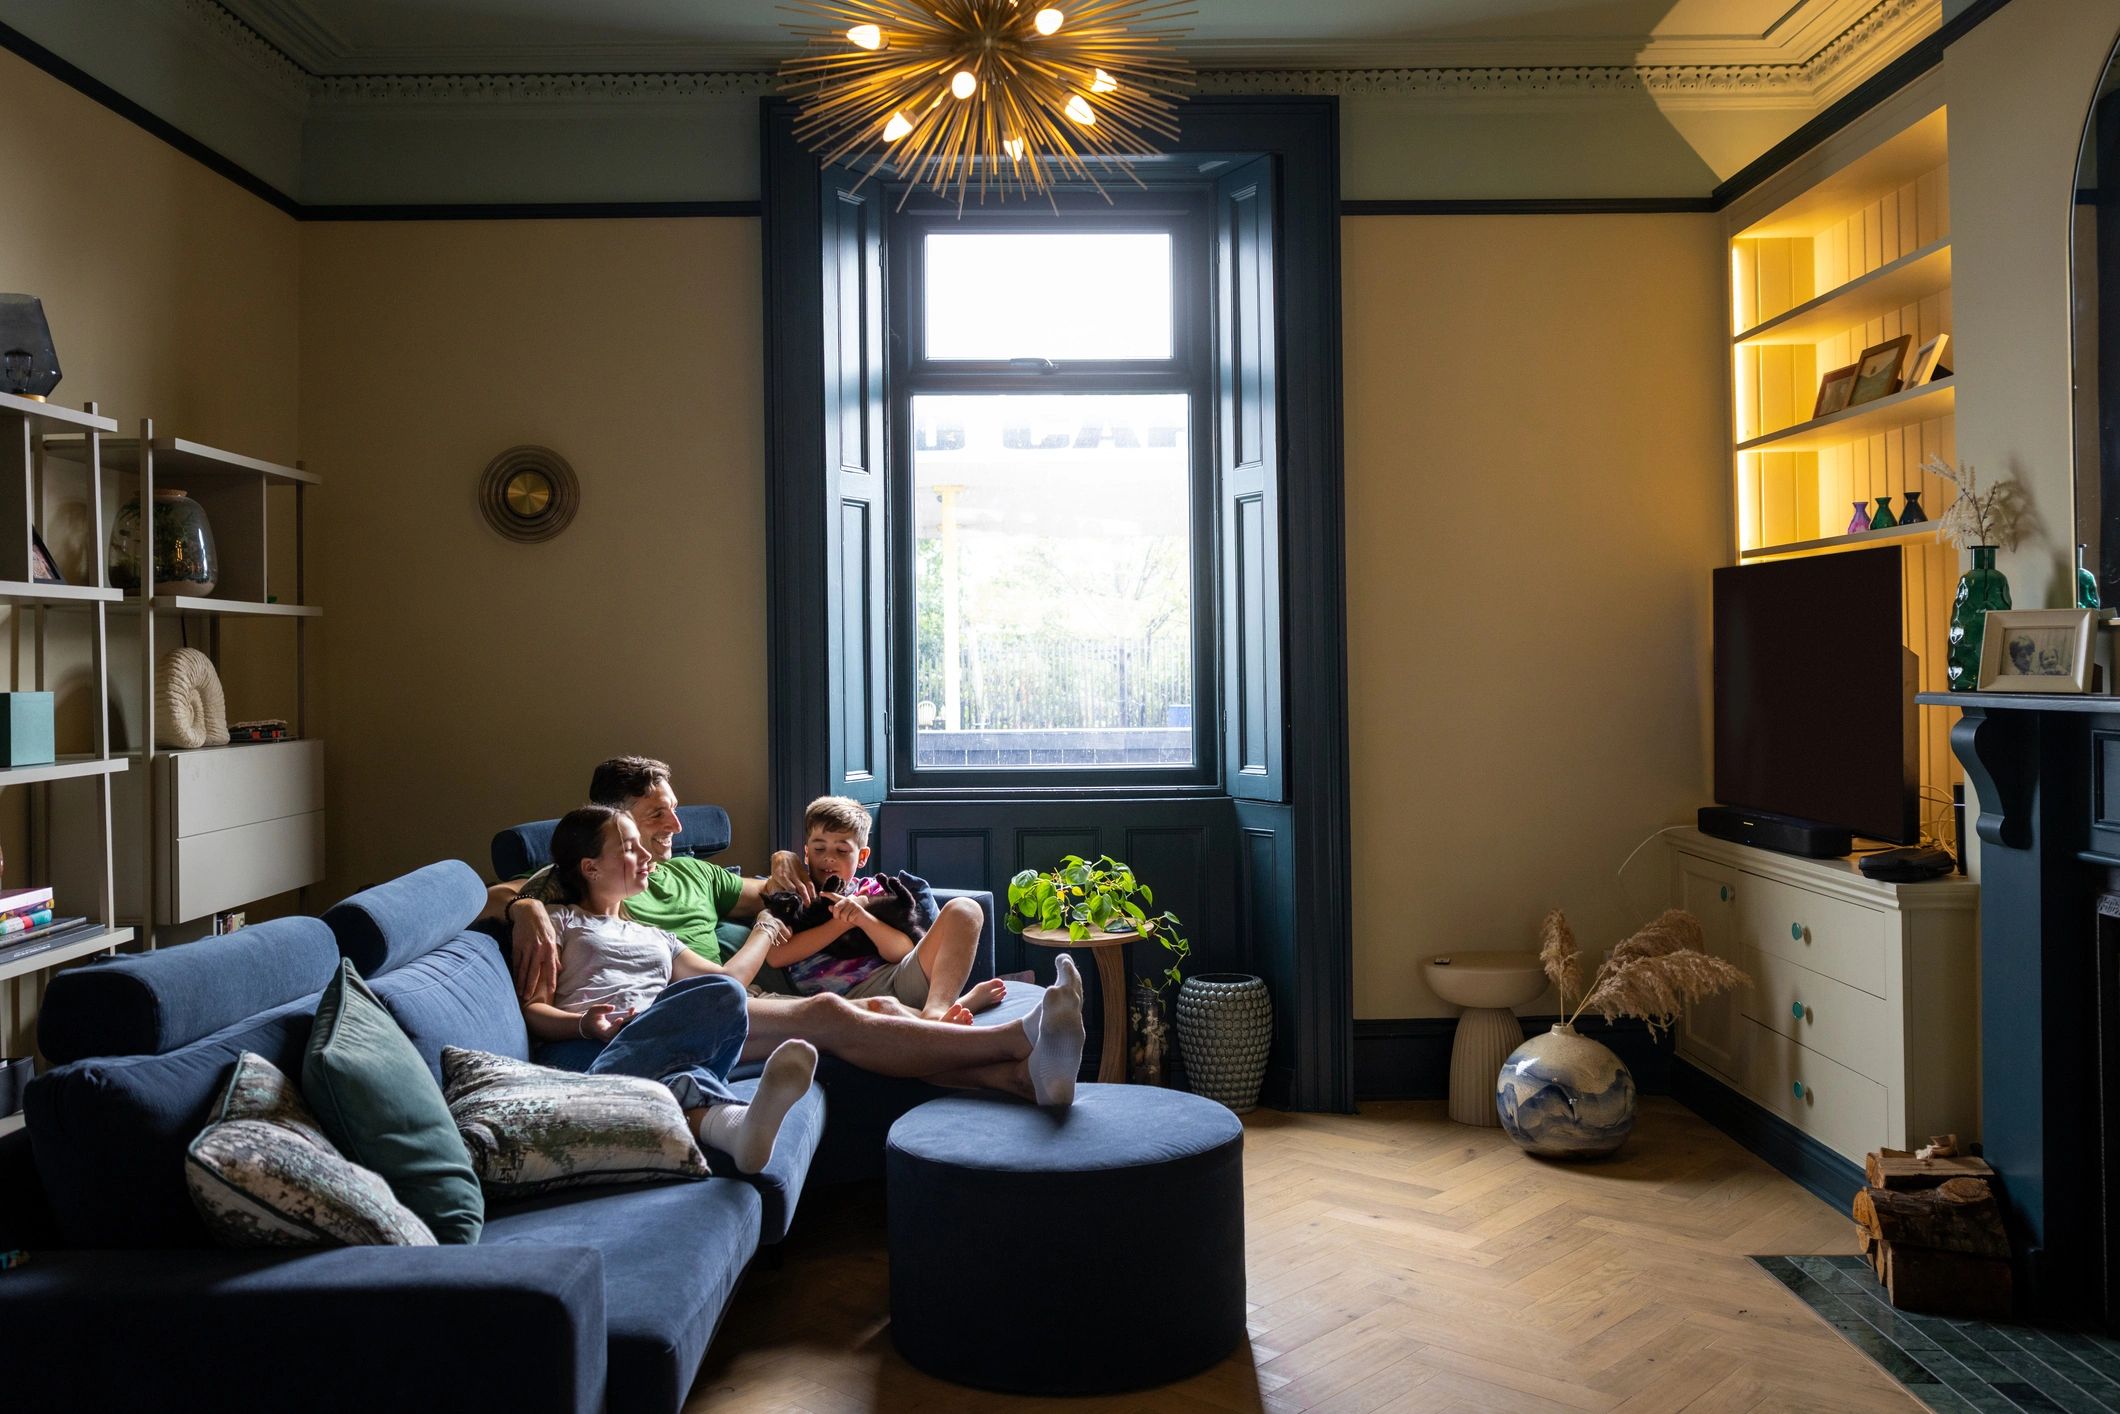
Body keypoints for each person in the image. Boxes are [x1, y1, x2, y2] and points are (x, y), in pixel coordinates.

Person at [495, 779, 1090, 1106]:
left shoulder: (671, 903)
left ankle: (1018, 1076)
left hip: (706, 1003)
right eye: (649, 824)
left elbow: (742, 946)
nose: (670, 832)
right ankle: (1020, 1039)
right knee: (836, 1011)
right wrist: (523, 908)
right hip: (650, 1027)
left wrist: (787, 864)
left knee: (877, 1006)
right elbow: (491, 901)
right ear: (594, 857)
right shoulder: (560, 907)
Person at [528, 804, 819, 1174]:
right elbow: (534, 1010)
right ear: (591, 867)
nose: (647, 855)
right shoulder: (560, 923)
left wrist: (764, 925)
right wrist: (583, 1024)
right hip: (583, 1050)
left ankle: (742, 1133)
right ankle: (728, 1121)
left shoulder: (658, 937)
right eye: (631, 848)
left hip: (652, 1042)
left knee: (724, 995)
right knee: (682, 1060)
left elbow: (724, 984)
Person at [762, 795, 1001, 1023]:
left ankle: (936, 1010)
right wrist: (840, 923)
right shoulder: (796, 895)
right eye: (819, 849)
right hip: (848, 1002)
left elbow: (901, 952)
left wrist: (862, 917)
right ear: (806, 852)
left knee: (966, 908)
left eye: (842, 850)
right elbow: (775, 956)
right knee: (881, 1010)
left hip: (897, 978)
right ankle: (960, 1005)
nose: (829, 858)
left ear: (863, 856)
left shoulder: (872, 891)